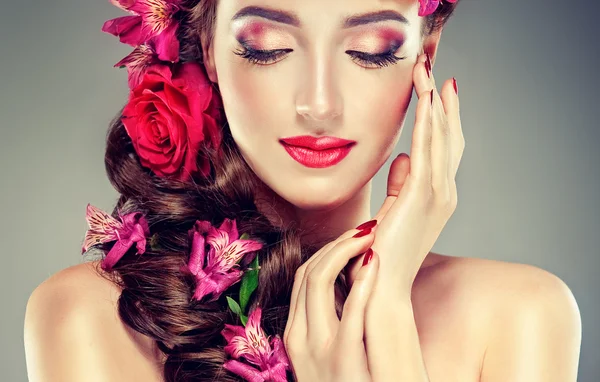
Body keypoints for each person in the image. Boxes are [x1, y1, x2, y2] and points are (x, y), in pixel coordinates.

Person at [24, 0, 582, 381]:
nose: (319, 103)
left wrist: (384, 315)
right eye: (266, 47)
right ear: (209, 51)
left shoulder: (519, 316)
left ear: (424, 58)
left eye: (370, 49)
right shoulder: (99, 315)